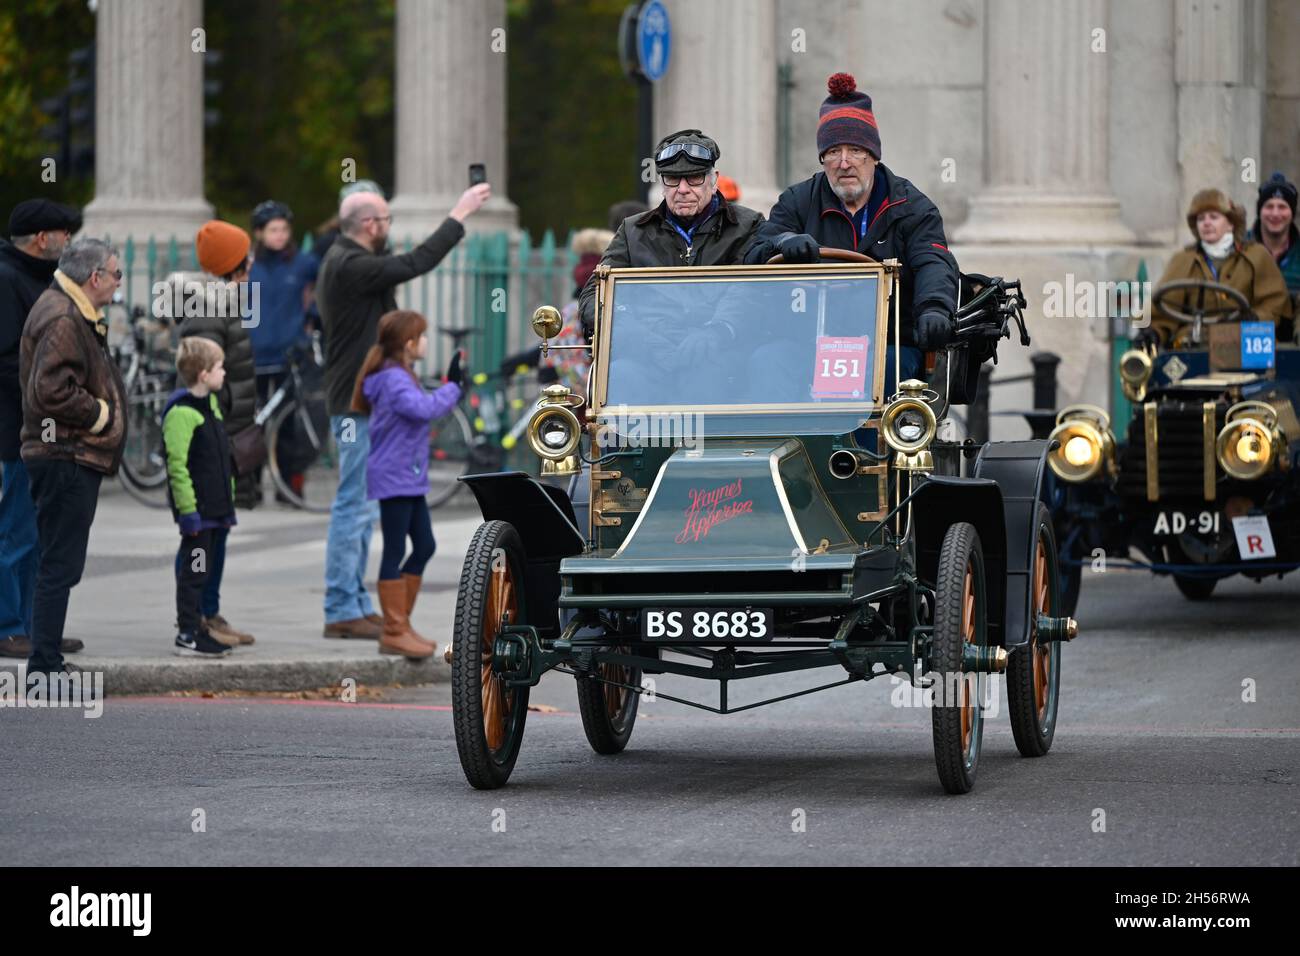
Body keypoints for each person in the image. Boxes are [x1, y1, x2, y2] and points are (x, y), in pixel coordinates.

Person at [317, 180, 489, 639]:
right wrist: (459, 213)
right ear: (369, 224)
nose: (387, 229)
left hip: (359, 401)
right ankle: (340, 606)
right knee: (353, 506)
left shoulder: (351, 261)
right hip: (353, 407)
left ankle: (354, 603)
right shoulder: (351, 264)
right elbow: (416, 262)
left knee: (361, 508)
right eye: (386, 221)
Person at [744, 72, 960, 392]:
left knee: (890, 372)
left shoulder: (911, 206)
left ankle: (870, 445)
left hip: (886, 342)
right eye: (833, 152)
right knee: (766, 361)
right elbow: (755, 251)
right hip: (809, 342)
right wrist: (784, 243)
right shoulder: (798, 201)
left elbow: (933, 261)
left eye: (855, 150)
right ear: (823, 159)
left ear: (873, 155)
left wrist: (934, 308)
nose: (844, 163)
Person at [19, 238, 126, 678]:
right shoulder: (64, 315)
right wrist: (100, 415)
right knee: (59, 562)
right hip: (65, 453)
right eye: (117, 274)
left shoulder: (69, 308)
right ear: (95, 277)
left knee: (60, 561)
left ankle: (46, 656)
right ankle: (44, 664)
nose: (120, 283)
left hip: (68, 452)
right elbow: (50, 390)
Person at [166, 220, 259, 646]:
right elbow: (201, 381)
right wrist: (225, 418)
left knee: (218, 528)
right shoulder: (207, 310)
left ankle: (209, 613)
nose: (253, 262)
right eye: (246, 256)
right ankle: (197, 617)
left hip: (226, 437)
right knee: (203, 533)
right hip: (212, 440)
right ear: (233, 265)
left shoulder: (225, 302)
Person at [352, 310, 463, 658]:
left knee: (426, 545)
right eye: (422, 336)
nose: (427, 342)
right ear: (408, 343)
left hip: (407, 476)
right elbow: (423, 409)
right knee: (396, 550)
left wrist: (450, 387)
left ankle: (401, 624)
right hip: (393, 476)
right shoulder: (394, 380)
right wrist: (454, 388)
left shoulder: (401, 374)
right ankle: (394, 630)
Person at [577, 129, 764, 338]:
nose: (682, 189)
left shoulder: (749, 226)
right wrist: (634, 331)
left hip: (725, 351)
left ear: (714, 181)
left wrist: (719, 331)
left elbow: (753, 292)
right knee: (623, 369)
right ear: (663, 184)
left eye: (694, 178)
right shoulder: (633, 231)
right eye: (672, 179)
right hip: (649, 352)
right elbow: (595, 293)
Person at [0, 199, 81, 660]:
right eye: (61, 232)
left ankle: (36, 627)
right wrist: (47, 387)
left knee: (39, 529)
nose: (67, 239)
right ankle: (8, 624)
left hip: (44, 426)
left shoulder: (45, 280)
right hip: (18, 426)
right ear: (40, 238)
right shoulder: (8, 278)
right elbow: (8, 359)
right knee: (16, 528)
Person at [163, 337, 236, 657]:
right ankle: (187, 633)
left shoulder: (212, 407)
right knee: (193, 573)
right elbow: (177, 465)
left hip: (216, 510)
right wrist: (188, 510)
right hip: (198, 512)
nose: (225, 373)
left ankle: (198, 627)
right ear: (204, 375)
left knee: (203, 570)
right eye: (220, 367)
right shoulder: (181, 413)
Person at [1150, 188, 1292, 346]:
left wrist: (1256, 317)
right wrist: (1153, 332)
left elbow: (1275, 302)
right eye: (1200, 219)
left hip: (1246, 340)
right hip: (1195, 342)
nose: (1206, 223)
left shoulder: (1256, 255)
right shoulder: (1183, 260)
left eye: (1214, 217)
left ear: (1231, 223)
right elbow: (1162, 308)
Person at [247, 200, 318, 501]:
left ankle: (288, 488)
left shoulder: (303, 263)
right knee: (254, 424)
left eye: (284, 230)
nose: (280, 235)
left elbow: (322, 292)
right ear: (260, 233)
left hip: (289, 355)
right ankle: (252, 487)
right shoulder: (249, 265)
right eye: (273, 230)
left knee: (289, 425)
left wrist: (312, 319)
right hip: (254, 354)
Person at [1248, 172, 1299, 335]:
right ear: (1259, 211)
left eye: (1282, 207)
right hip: (1251, 335)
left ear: (1292, 214)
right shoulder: (1240, 249)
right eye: (1269, 206)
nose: (1275, 214)